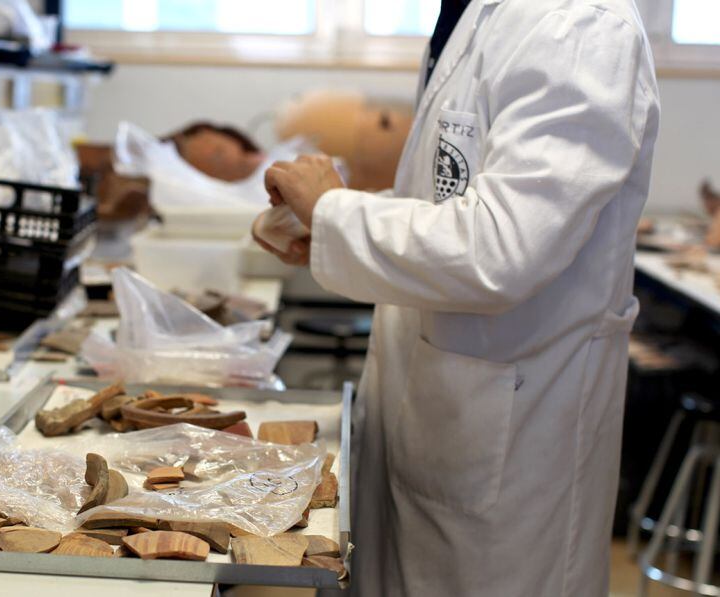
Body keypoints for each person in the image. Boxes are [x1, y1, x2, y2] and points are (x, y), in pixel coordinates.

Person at [254, 0, 660, 595]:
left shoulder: (580, 24)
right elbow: (455, 203)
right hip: (435, 411)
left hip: (513, 442)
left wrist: (340, 213)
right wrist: (329, 222)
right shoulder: (470, 14)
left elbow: (503, 249)